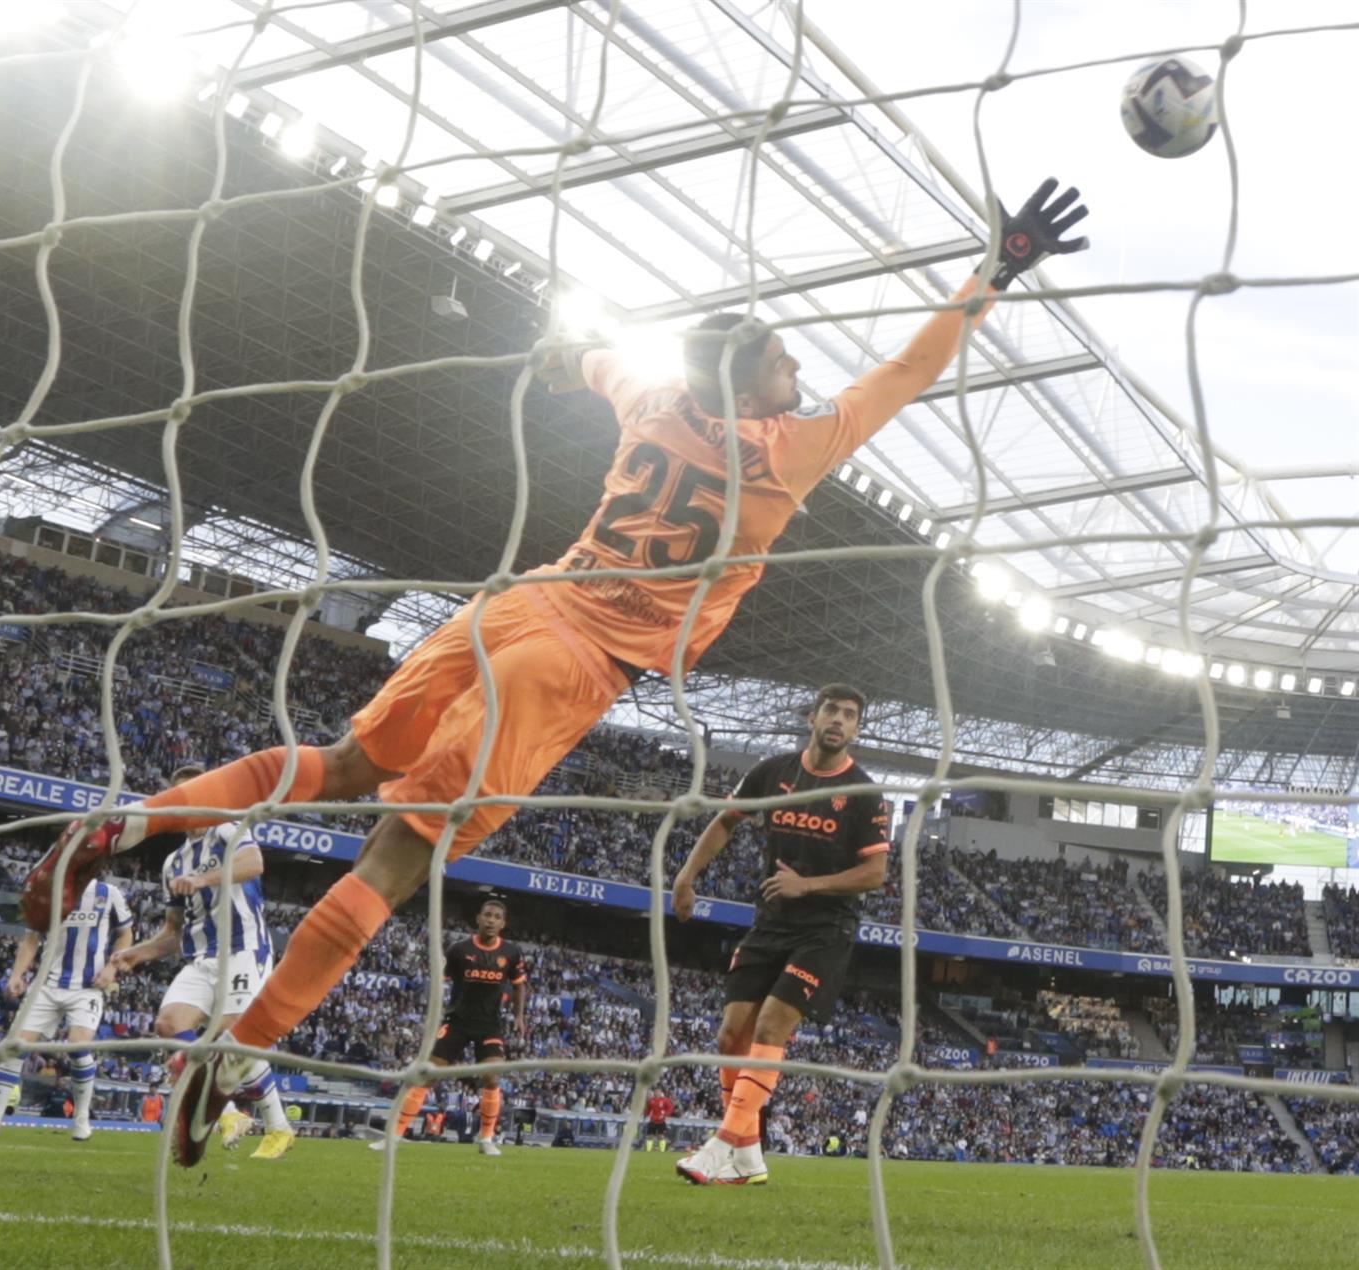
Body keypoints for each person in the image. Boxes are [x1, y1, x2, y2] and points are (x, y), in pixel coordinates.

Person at [63, 181, 1089, 1166]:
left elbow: (600, 363)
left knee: (340, 764)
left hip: (511, 604)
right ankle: (237, 1055)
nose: (798, 370)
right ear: (746, 384)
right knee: (395, 862)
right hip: (571, 657)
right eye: (782, 362)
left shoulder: (654, 399)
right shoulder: (791, 450)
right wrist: (999, 269)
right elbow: (909, 371)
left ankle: (131, 823)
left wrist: (565, 362)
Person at [670, 684, 890, 1186]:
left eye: (850, 715)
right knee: (731, 1036)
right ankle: (749, 1156)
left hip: (826, 929)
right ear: (813, 717)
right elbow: (726, 822)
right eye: (831, 710)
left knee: (771, 1027)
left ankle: (720, 1145)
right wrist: (686, 876)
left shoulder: (863, 792)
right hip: (770, 923)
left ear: (857, 729)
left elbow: (875, 873)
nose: (839, 720)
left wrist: (806, 885)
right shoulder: (773, 772)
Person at [108, 766, 296, 1161]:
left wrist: (204, 879)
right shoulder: (173, 863)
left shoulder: (227, 829)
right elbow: (173, 932)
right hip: (200, 958)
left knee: (230, 1041)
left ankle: (277, 1127)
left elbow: (254, 864)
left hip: (243, 950)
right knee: (168, 1026)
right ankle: (230, 1114)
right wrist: (137, 952)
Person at [0, 872, 132, 1141]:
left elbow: (125, 934)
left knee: (77, 1046)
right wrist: (17, 975)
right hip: (45, 986)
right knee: (13, 1049)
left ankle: (81, 1119)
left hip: (87, 987)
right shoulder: (47, 892)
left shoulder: (109, 893)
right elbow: (31, 939)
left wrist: (112, 967)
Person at [370, 897, 526, 1156]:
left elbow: (520, 983)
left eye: (497, 917)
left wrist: (519, 1015)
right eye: (487, 915)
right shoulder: (458, 950)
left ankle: (486, 1138)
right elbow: (439, 980)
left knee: (491, 1077)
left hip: (489, 1025)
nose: (491, 920)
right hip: (458, 1021)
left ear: (503, 923)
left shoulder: (510, 953)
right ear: (478, 918)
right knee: (426, 1075)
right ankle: (393, 1136)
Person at [643, 1088, 676, 1152]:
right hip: (652, 1120)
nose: (657, 1093)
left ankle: (662, 1150)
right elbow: (648, 1109)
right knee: (650, 1136)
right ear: (654, 1092)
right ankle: (648, 1151)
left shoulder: (665, 1100)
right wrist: (645, 1115)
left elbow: (670, 1108)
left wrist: (665, 1114)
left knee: (661, 1136)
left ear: (661, 1093)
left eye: (658, 1092)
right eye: (656, 1092)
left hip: (661, 1121)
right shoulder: (651, 1100)